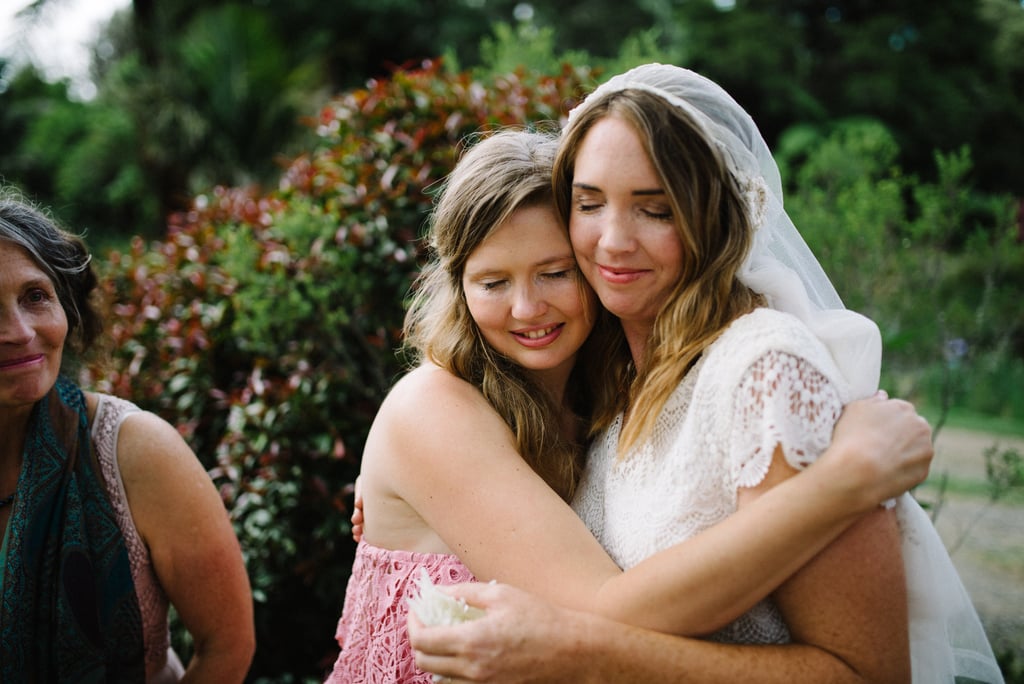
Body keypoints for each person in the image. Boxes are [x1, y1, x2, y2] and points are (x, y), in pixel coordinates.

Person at [407, 64, 1004, 683]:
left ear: (715, 217)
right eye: (589, 204)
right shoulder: (615, 375)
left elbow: (869, 674)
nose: (612, 241)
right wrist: (401, 460)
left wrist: (581, 654)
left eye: (655, 210)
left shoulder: (766, 373)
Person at [0, 187, 256, 682]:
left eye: (35, 297)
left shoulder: (132, 451)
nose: (19, 331)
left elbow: (227, 645)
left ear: (66, 308)